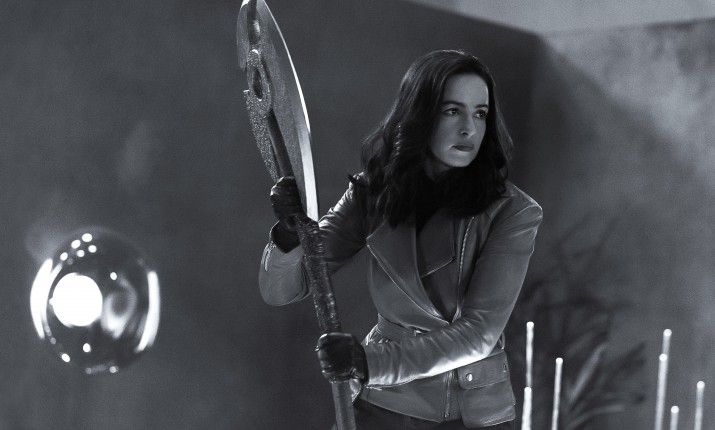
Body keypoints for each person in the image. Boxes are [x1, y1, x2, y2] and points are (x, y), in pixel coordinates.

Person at [259, 49, 542, 429]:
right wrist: (289, 233)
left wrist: (368, 362)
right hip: (380, 403)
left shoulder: (514, 211)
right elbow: (283, 289)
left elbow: (478, 335)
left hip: (463, 411)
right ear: (420, 114)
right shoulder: (372, 193)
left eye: (480, 113)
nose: (470, 129)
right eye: (452, 111)